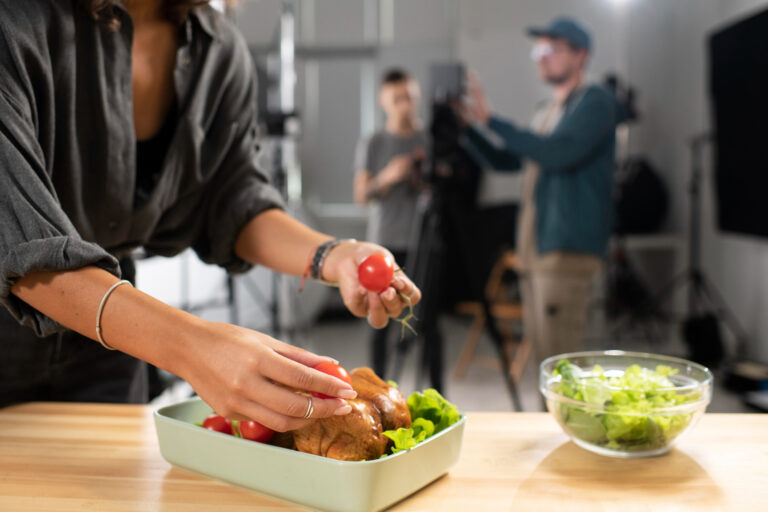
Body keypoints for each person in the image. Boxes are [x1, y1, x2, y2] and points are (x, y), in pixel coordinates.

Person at [0, 0, 421, 433]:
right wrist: (189, 347)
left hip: (111, 344)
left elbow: (233, 197)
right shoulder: (15, 20)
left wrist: (333, 255)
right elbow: (14, 237)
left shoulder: (218, 49)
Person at [463, 17, 616, 365]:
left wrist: (491, 120)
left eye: (552, 49)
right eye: (538, 49)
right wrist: (467, 129)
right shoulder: (546, 111)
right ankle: (546, 418)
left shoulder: (595, 103)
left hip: (566, 250)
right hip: (536, 250)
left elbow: (557, 153)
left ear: (581, 55)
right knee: (544, 360)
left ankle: (559, 420)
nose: (541, 56)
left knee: (560, 362)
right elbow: (508, 161)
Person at [353, 68, 427, 378]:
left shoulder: (429, 140)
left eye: (408, 97)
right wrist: (388, 176)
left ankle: (436, 388)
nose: (404, 105)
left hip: (423, 242)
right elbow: (361, 194)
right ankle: (378, 384)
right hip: (384, 242)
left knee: (428, 324)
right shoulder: (373, 142)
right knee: (379, 320)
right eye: (397, 98)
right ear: (384, 101)